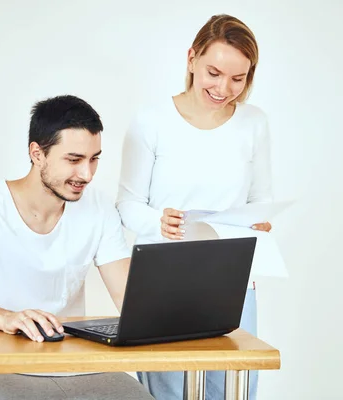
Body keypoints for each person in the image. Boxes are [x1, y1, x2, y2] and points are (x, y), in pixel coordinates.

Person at [0, 95, 153, 400]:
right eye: (73, 159)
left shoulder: (99, 207)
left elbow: (131, 300)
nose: (86, 174)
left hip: (79, 368)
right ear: (37, 154)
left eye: (94, 158)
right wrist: (6, 318)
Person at [116, 14, 273, 400]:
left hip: (232, 277)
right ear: (191, 59)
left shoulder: (254, 123)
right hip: (162, 274)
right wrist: (159, 221)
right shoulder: (151, 121)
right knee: (166, 390)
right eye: (214, 73)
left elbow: (261, 200)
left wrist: (261, 222)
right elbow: (127, 204)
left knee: (233, 387)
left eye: (238, 79)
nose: (224, 88)